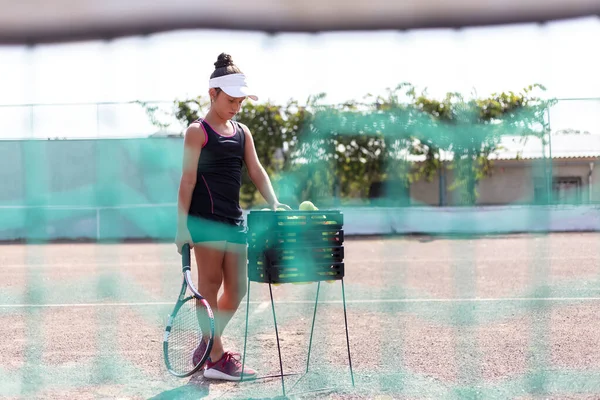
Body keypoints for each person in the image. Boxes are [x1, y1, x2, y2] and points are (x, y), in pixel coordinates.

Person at [175, 53, 291, 381]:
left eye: (240, 101)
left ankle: (208, 344)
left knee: (237, 289)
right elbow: (187, 181)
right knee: (209, 287)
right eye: (230, 100)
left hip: (235, 222)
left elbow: (256, 170)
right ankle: (215, 358)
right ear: (212, 94)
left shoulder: (243, 133)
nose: (236, 107)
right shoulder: (197, 132)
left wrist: (273, 202)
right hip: (204, 222)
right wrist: (181, 227)